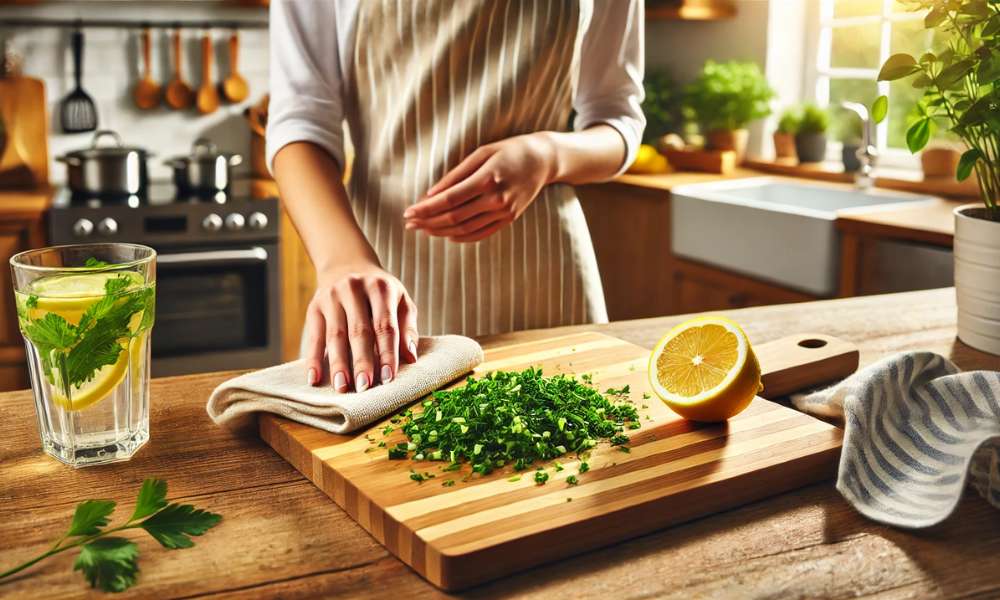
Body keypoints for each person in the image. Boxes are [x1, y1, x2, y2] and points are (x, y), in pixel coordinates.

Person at [268, 0, 645, 393]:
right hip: (383, 284)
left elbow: (618, 118)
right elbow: (300, 123)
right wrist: (342, 262)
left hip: (546, 276)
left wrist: (548, 156)